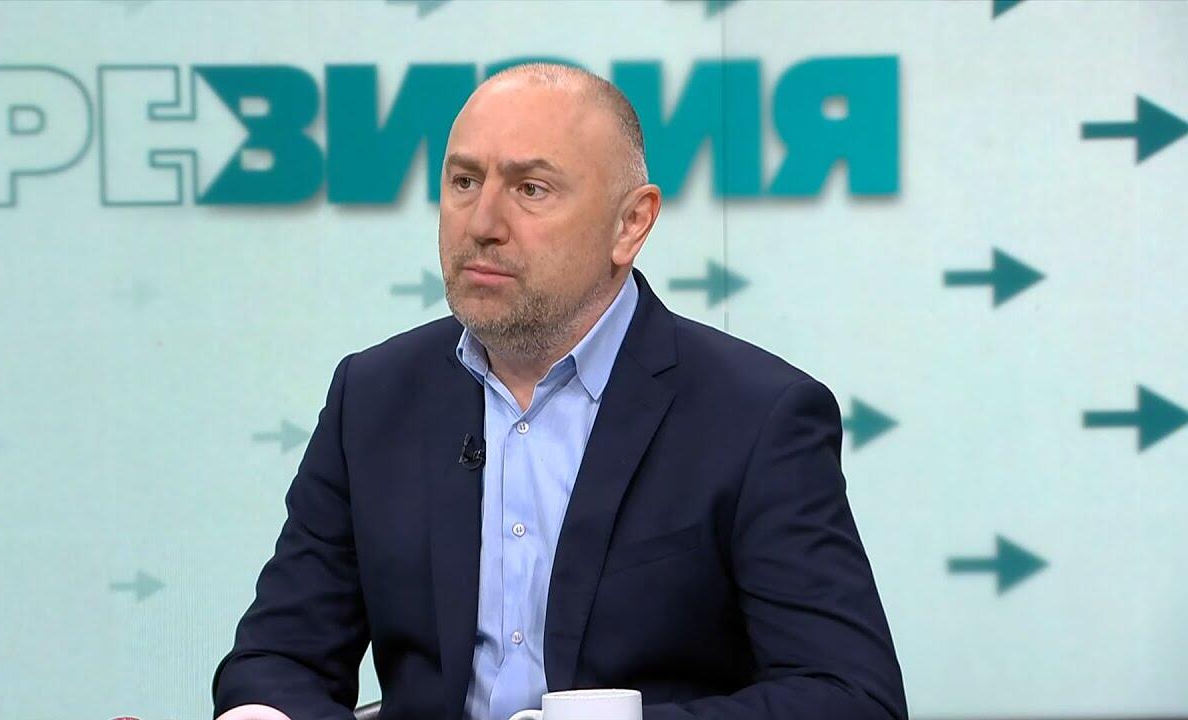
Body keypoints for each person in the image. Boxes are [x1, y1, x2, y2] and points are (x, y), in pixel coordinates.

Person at [211, 62, 907, 720]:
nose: (482, 225)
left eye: (531, 189)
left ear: (630, 224)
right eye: (463, 182)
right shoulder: (373, 396)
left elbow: (850, 698)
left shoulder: (755, 416)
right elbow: (278, 659)